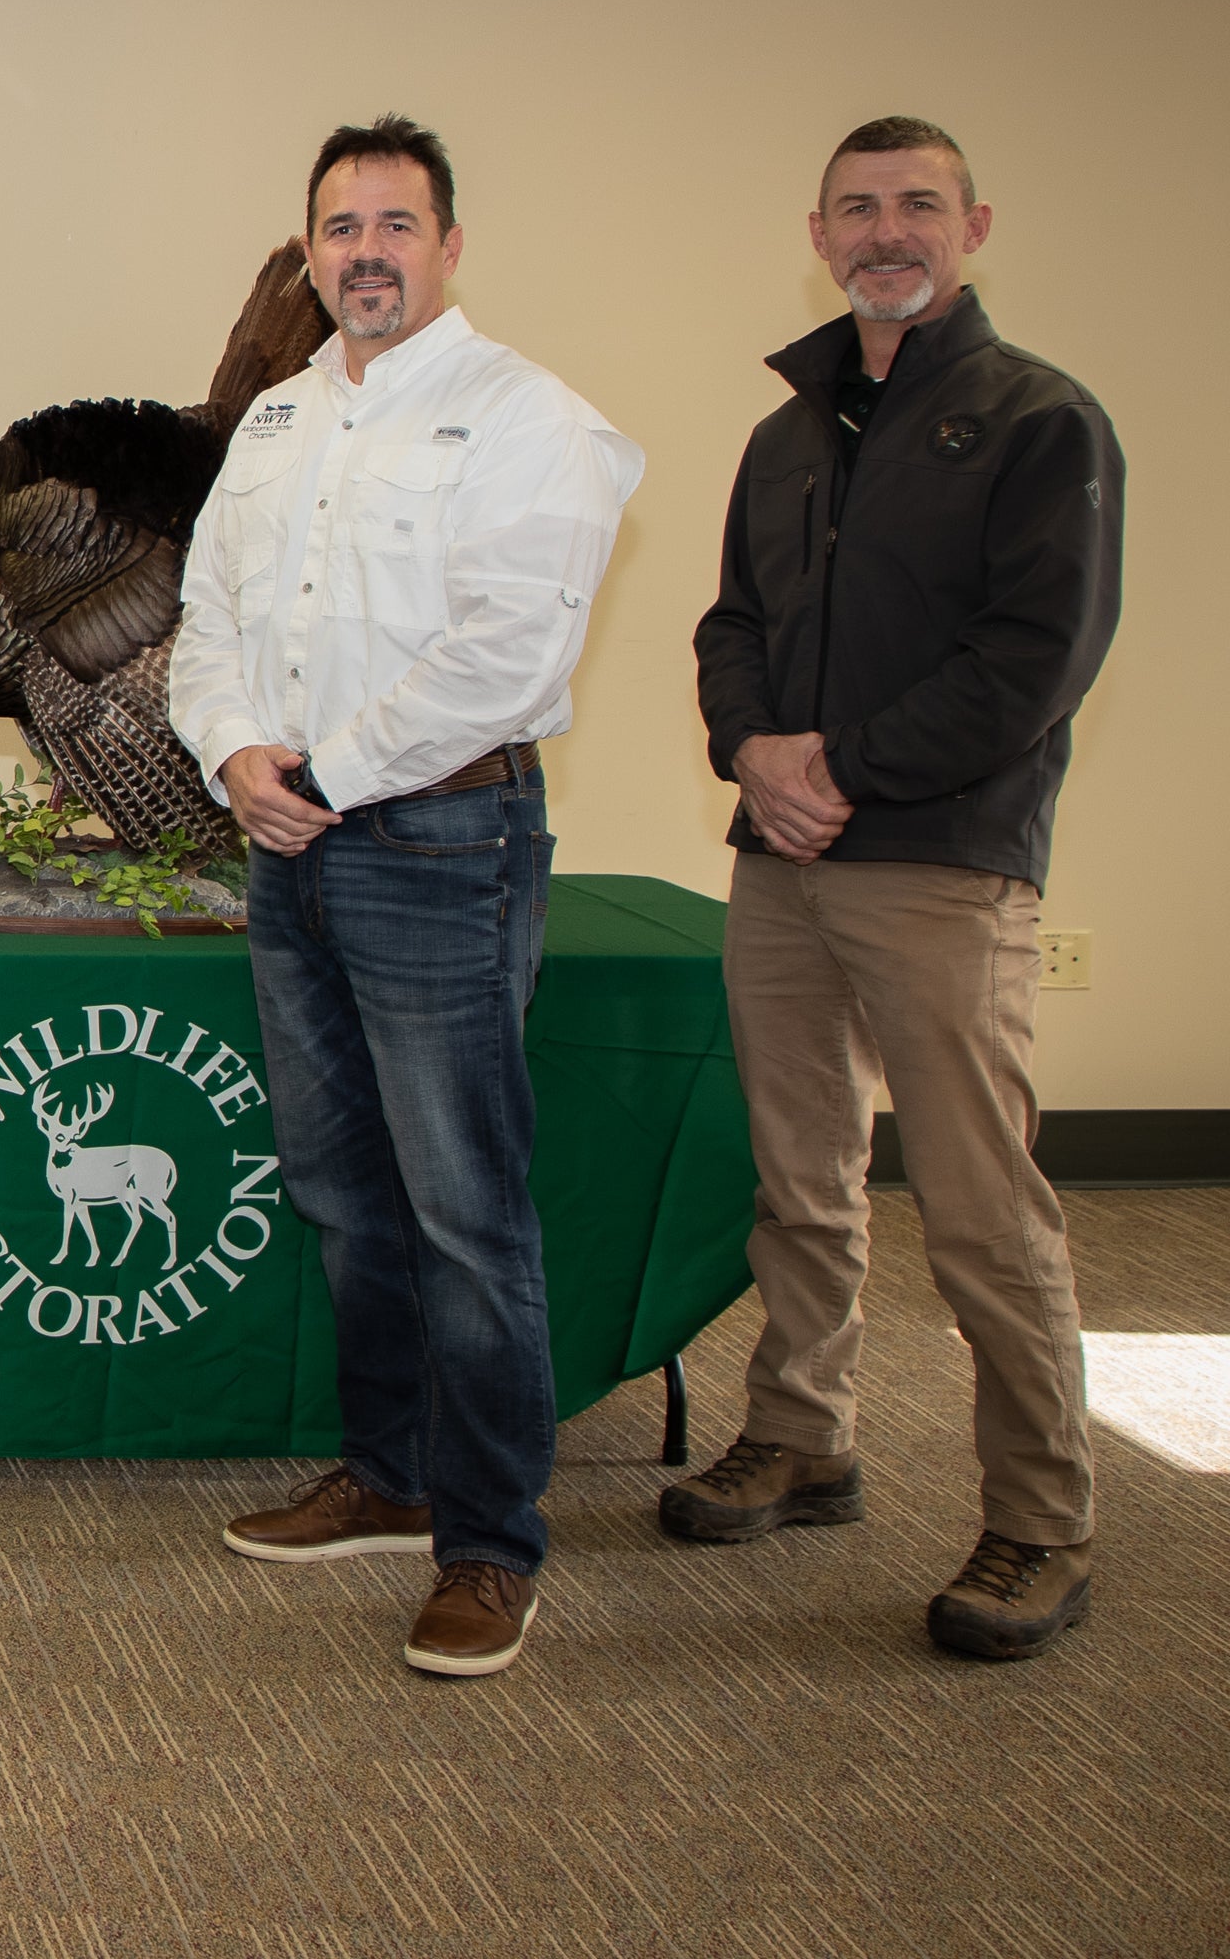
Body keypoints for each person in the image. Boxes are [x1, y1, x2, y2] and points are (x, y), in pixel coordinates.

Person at [169, 116, 643, 1679]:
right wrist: (239, 751)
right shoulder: (277, 422)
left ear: (448, 244)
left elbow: (511, 652)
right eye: (337, 226)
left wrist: (329, 771)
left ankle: (492, 1542)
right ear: (307, 250)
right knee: (338, 1188)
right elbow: (208, 621)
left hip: (442, 843)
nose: (363, 251)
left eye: (394, 223)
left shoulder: (529, 419)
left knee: (465, 1208)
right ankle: (389, 1473)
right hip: (287, 843)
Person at [677, 117, 1123, 1662]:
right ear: (820, 228)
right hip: (784, 868)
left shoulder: (1037, 422)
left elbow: (1031, 667)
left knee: (984, 1213)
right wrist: (750, 750)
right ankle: (805, 1436)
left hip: (938, 864)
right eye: (859, 207)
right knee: (799, 1182)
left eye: (917, 204)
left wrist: (837, 767)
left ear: (973, 224)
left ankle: (1043, 1519)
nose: (887, 230)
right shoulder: (789, 433)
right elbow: (729, 623)